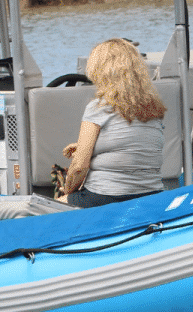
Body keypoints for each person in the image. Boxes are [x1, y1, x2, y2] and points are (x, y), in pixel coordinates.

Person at [60, 38, 166, 208]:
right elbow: (131, 144)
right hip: (151, 195)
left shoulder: (98, 107)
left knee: (48, 206)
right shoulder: (153, 108)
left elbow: (79, 167)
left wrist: (67, 192)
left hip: (106, 196)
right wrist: (83, 146)